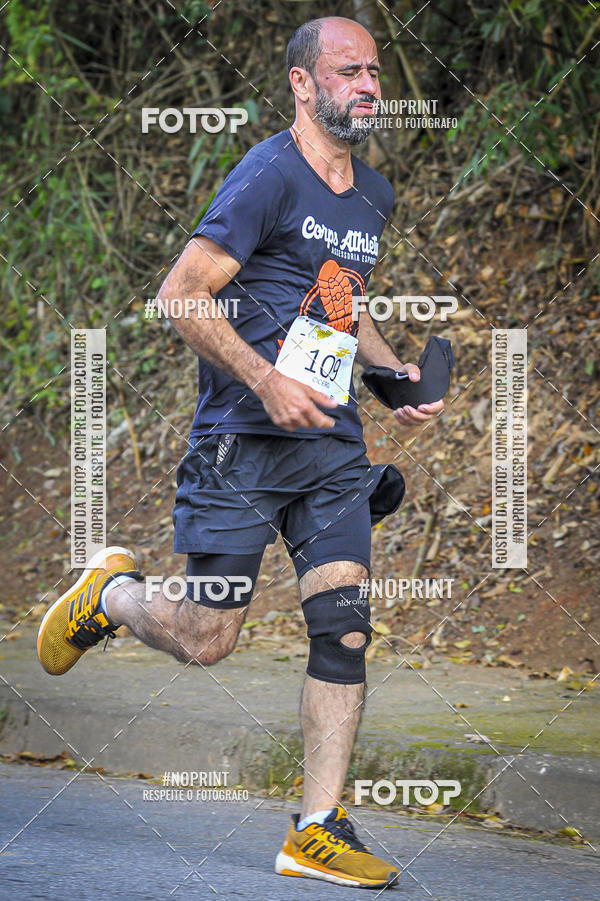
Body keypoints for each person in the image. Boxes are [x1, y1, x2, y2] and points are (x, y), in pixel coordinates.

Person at [37, 16, 443, 890]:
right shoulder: (266, 175)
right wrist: (265, 382)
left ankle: (317, 827)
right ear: (303, 85)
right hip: (243, 445)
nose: (368, 85)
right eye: (348, 71)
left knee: (345, 624)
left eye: (374, 70)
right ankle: (111, 595)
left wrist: (391, 373)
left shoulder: (374, 192)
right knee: (207, 634)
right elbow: (181, 296)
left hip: (332, 448)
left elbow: (346, 296)